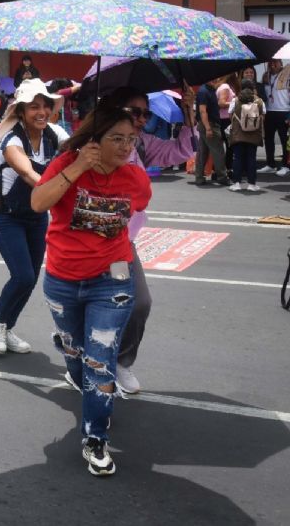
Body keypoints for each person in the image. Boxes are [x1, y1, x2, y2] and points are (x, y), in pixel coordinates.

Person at [31, 106, 152, 476]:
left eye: (131, 139)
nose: (126, 146)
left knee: (99, 363)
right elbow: (38, 202)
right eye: (117, 138)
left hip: (111, 284)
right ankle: (69, 348)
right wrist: (80, 167)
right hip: (63, 279)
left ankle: (95, 437)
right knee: (75, 352)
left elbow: (136, 210)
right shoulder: (68, 162)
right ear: (95, 138)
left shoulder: (135, 178)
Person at [96, 86, 195, 394]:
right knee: (91, 310)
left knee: (138, 303)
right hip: (88, 243)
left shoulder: (141, 145)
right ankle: (82, 362)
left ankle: (121, 362)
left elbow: (180, 150)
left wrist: (190, 112)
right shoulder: (93, 146)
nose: (140, 120)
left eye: (145, 113)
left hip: (121, 244)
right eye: (134, 112)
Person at [0, 79, 68, 355]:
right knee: (21, 275)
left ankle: (7, 327)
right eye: (34, 107)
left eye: (46, 105)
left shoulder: (53, 134)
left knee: (31, 278)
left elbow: (77, 147)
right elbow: (28, 174)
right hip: (6, 215)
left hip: (35, 215)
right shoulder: (12, 140)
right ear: (20, 111)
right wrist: (53, 191)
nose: (42, 111)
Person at [228, 79, 266, 192]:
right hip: (253, 134)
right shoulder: (259, 101)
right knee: (251, 158)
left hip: (238, 134)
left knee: (238, 158)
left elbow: (230, 114)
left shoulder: (235, 100)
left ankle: (236, 183)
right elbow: (263, 116)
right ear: (253, 88)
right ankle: (252, 184)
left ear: (241, 87)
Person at [195, 77, 228, 186]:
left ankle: (199, 177)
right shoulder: (204, 91)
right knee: (218, 151)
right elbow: (202, 110)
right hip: (209, 125)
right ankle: (222, 176)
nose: (215, 79)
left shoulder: (209, 89)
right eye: (213, 77)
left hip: (206, 124)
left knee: (202, 152)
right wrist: (208, 128)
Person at [260, 59, 290, 176]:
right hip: (269, 112)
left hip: (284, 111)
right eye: (270, 63)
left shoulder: (287, 74)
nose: (272, 65)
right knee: (268, 140)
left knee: (285, 141)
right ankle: (270, 164)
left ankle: (285, 165)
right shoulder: (265, 76)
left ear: (281, 63)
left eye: (275, 62)